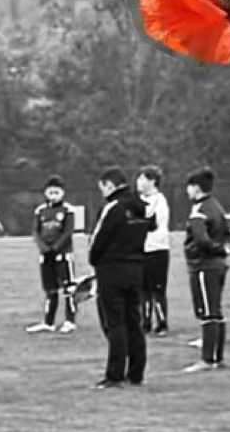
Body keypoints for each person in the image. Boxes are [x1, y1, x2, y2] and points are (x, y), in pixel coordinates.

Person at [87, 167, 152, 389]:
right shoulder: (141, 206)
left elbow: (99, 238)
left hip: (111, 269)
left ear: (110, 185)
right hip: (135, 267)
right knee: (134, 321)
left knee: (115, 323)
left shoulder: (113, 208)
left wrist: (94, 260)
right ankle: (136, 373)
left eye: (103, 188)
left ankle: (115, 374)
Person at [180, 168, 230, 373]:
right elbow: (227, 234)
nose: (187, 191)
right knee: (216, 310)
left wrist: (211, 249)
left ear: (196, 188)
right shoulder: (217, 207)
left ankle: (207, 360)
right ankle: (217, 358)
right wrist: (224, 249)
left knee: (208, 312)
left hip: (204, 265)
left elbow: (201, 239)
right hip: (218, 265)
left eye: (189, 187)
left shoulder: (199, 210)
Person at [27, 176, 79, 334]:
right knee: (50, 289)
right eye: (50, 192)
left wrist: (56, 248)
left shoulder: (68, 210)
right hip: (46, 255)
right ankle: (48, 322)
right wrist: (43, 248)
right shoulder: (40, 211)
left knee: (68, 288)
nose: (53, 195)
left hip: (63, 255)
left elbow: (68, 232)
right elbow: (35, 231)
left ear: (62, 193)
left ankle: (70, 321)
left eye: (57, 192)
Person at [137, 166, 172, 337]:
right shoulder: (137, 200)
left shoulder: (160, 200)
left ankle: (162, 322)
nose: (139, 182)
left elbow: (153, 224)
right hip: (141, 250)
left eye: (142, 178)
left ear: (152, 181)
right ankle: (145, 322)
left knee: (157, 289)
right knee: (143, 289)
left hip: (157, 249)